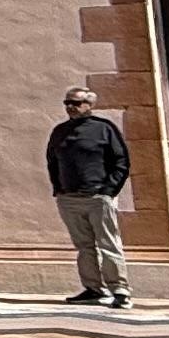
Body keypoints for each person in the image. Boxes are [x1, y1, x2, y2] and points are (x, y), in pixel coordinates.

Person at [47, 84, 135, 308]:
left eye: (75, 103)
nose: (70, 107)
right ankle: (93, 288)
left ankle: (120, 290)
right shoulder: (60, 131)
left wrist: (108, 190)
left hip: (98, 197)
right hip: (69, 198)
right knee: (84, 246)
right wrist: (59, 188)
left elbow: (121, 162)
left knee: (108, 244)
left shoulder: (104, 129)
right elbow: (52, 162)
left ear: (89, 105)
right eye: (67, 103)